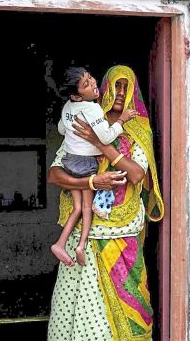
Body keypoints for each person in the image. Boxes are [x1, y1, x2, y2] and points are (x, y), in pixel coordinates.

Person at [46, 65, 164, 341]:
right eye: (115, 86)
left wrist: (103, 144)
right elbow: (56, 173)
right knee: (83, 307)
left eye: (127, 88)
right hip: (86, 228)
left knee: (128, 302)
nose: (118, 94)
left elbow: (137, 174)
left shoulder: (136, 128)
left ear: (133, 94)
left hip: (123, 231)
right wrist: (91, 181)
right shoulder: (85, 120)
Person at [50, 66, 138, 267]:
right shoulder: (93, 109)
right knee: (86, 207)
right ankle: (80, 245)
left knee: (77, 207)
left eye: (91, 79)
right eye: (86, 84)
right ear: (77, 96)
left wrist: (74, 128)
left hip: (70, 161)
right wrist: (122, 120)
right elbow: (106, 136)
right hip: (86, 164)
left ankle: (60, 243)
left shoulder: (67, 107)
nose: (93, 85)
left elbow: (62, 129)